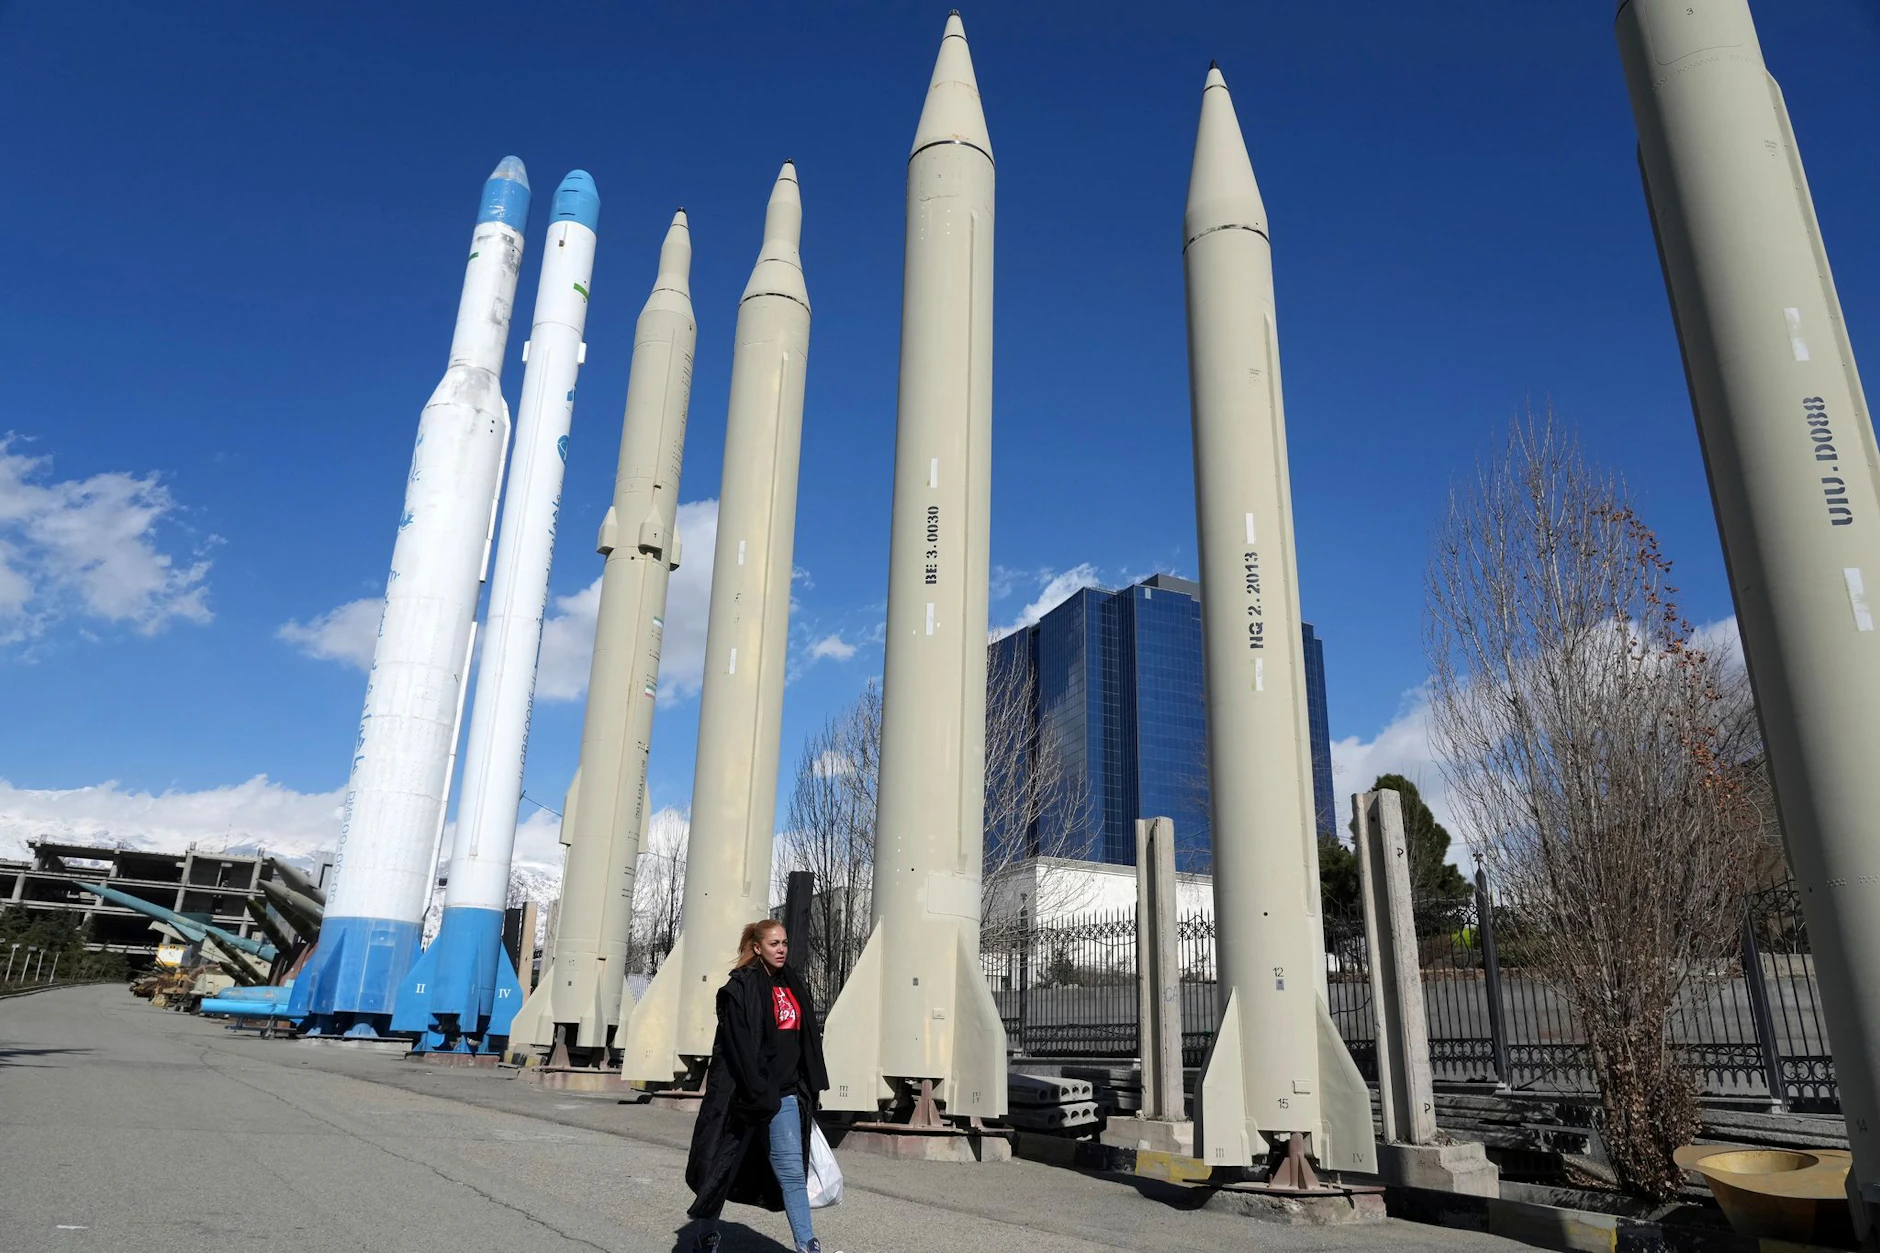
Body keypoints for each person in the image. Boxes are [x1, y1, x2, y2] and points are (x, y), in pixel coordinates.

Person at [685, 919, 829, 1253]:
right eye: (774, 944)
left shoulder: (793, 983)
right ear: (757, 947)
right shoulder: (741, 987)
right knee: (723, 1168)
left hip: (785, 1095)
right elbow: (737, 1046)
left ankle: (808, 1246)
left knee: (792, 1174)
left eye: (784, 943)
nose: (781, 950)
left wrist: (809, 1084)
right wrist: (758, 1092)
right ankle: (706, 1236)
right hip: (746, 1098)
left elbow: (805, 1039)